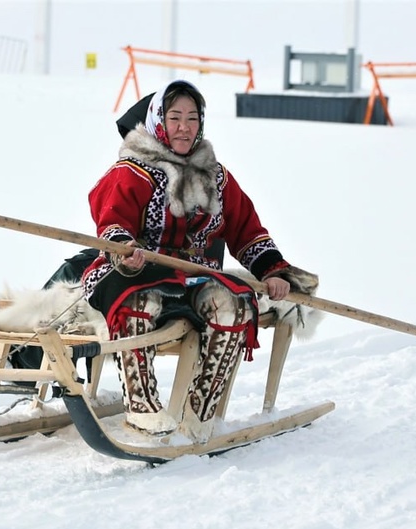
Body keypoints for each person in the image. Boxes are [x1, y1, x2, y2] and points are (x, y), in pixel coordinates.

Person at [84, 80, 317, 443]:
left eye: (192, 118)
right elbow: (111, 221)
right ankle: (141, 407)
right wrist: (124, 249)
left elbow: (246, 228)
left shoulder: (216, 177)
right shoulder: (132, 171)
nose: (184, 126)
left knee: (234, 305)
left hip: (191, 277)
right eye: (175, 116)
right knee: (139, 301)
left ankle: (200, 415)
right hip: (131, 273)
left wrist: (273, 270)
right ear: (158, 119)